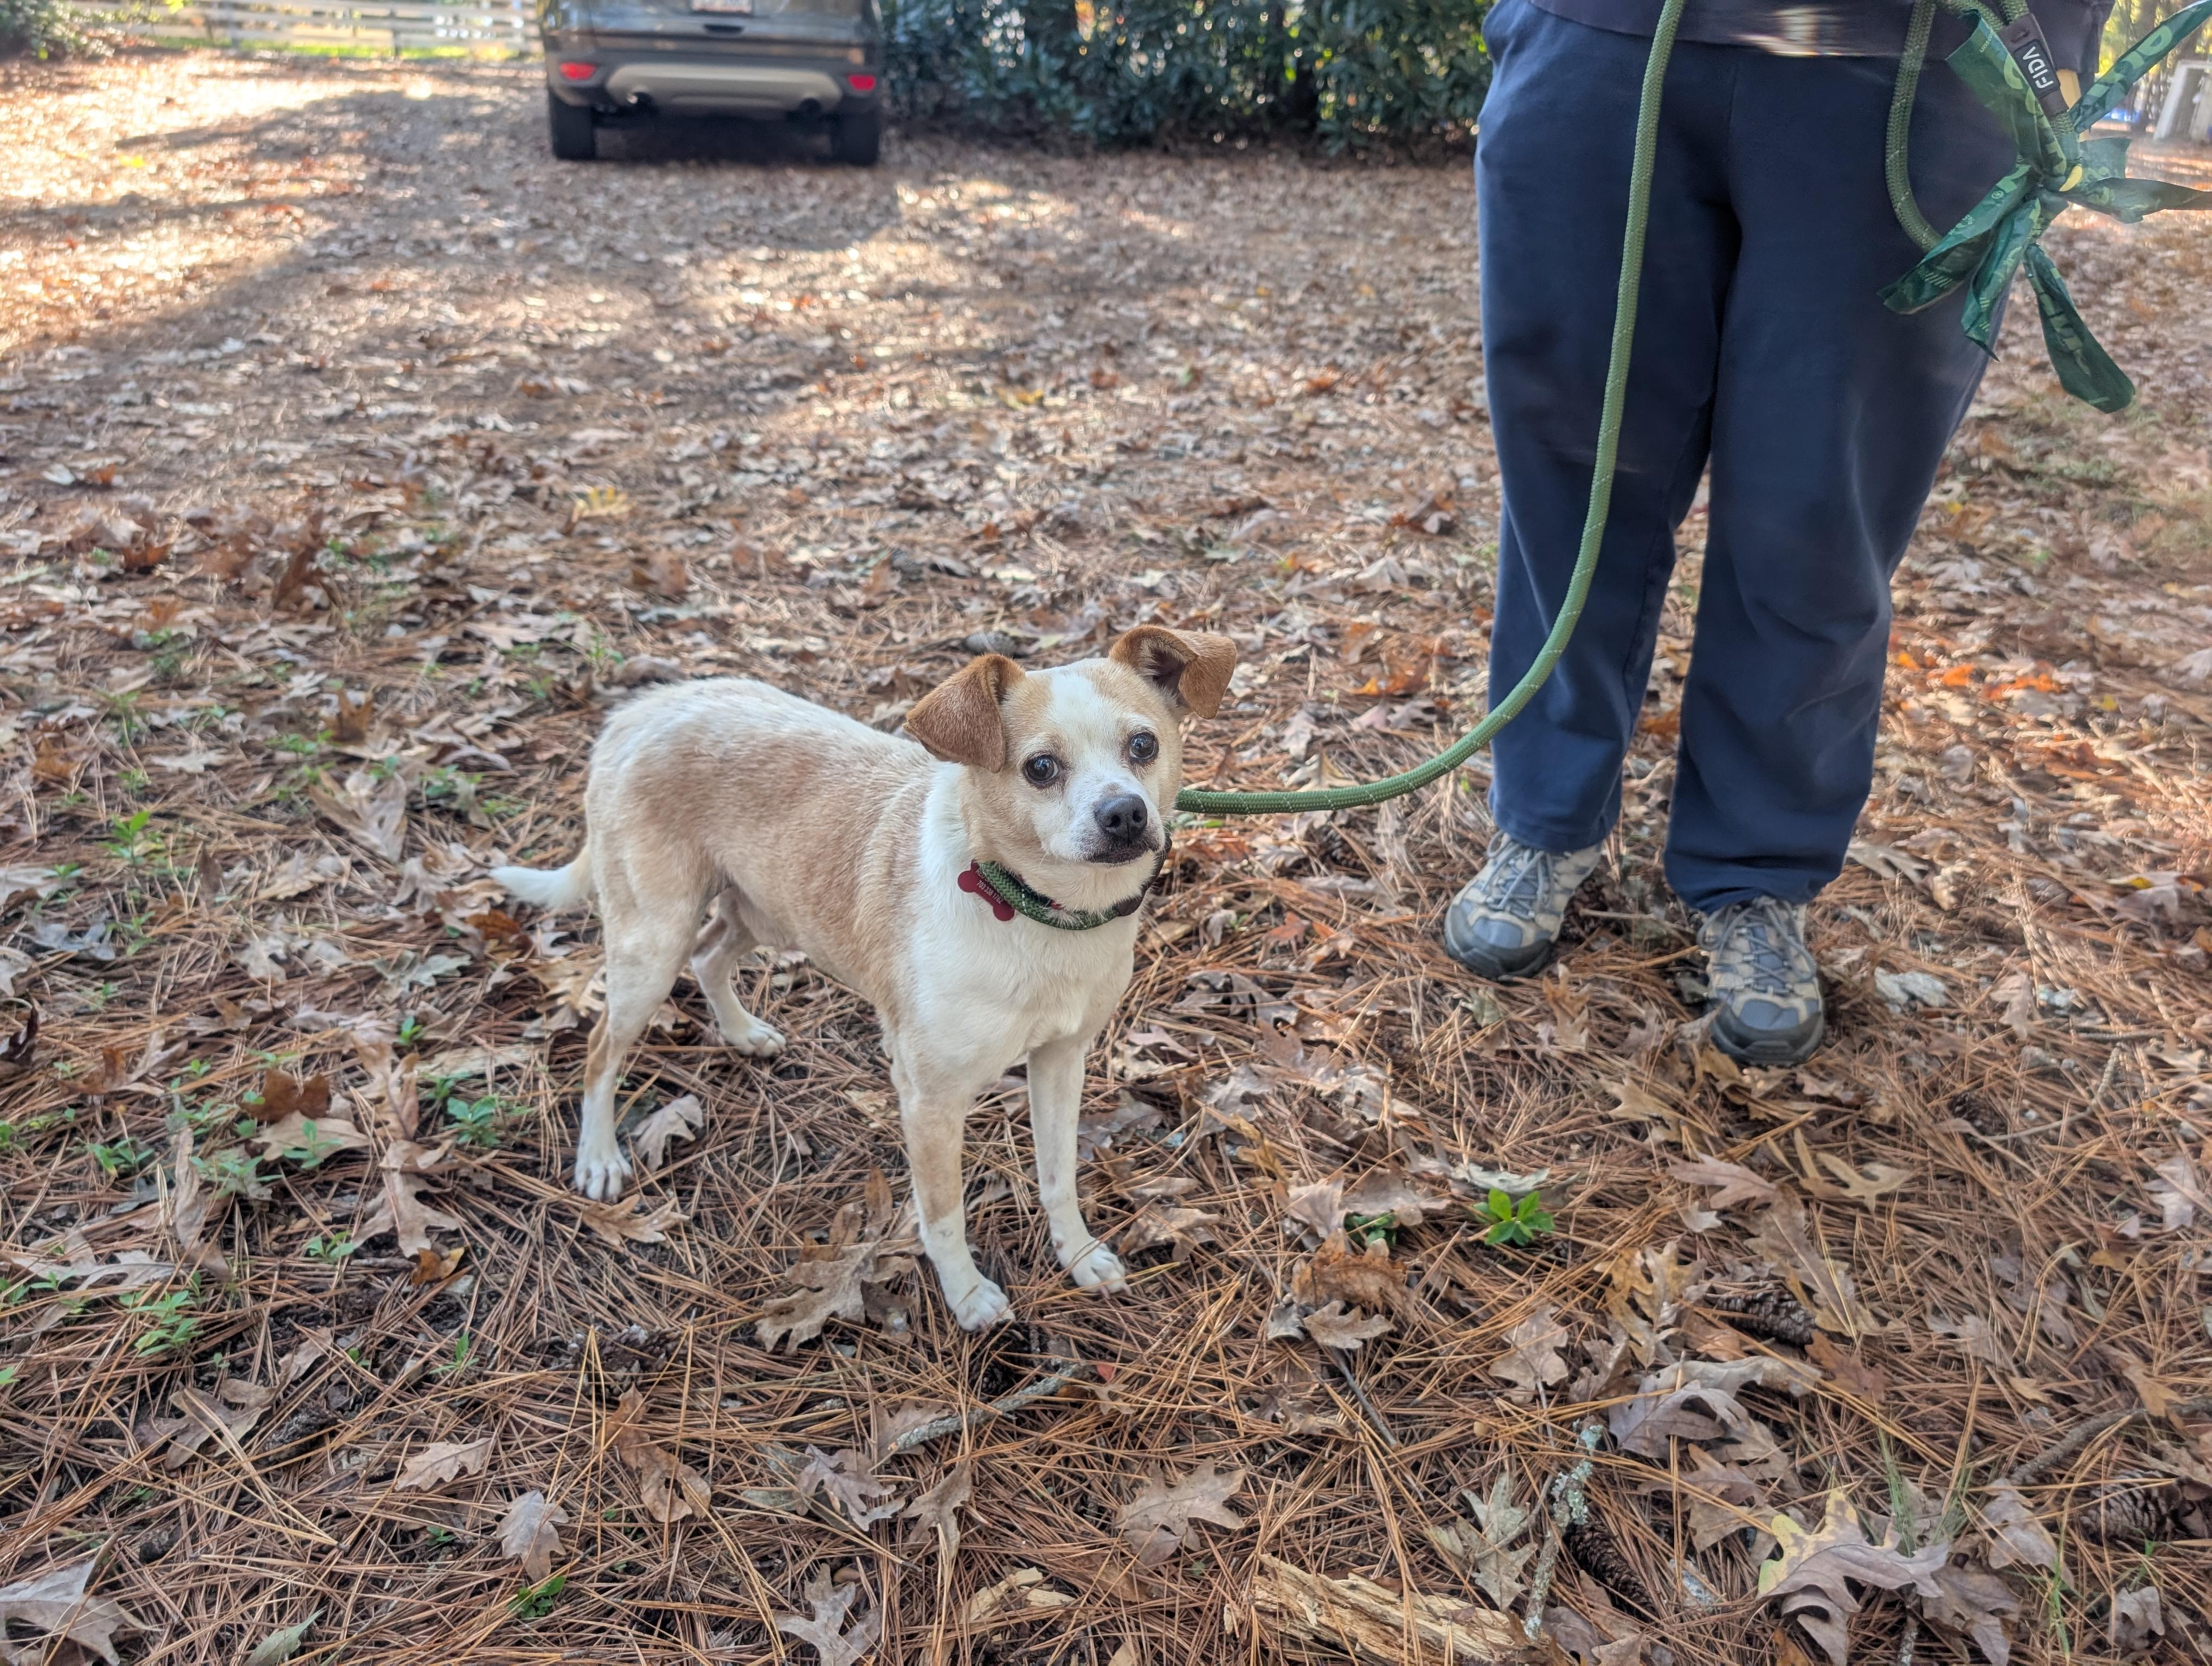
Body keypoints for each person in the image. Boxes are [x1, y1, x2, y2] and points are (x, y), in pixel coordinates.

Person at [1442, 0, 2111, 1064]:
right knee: (1568, 481)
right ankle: (1545, 812)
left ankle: (1756, 869)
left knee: (1821, 511)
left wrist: (2046, 59)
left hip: (1914, 70)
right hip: (1605, 42)